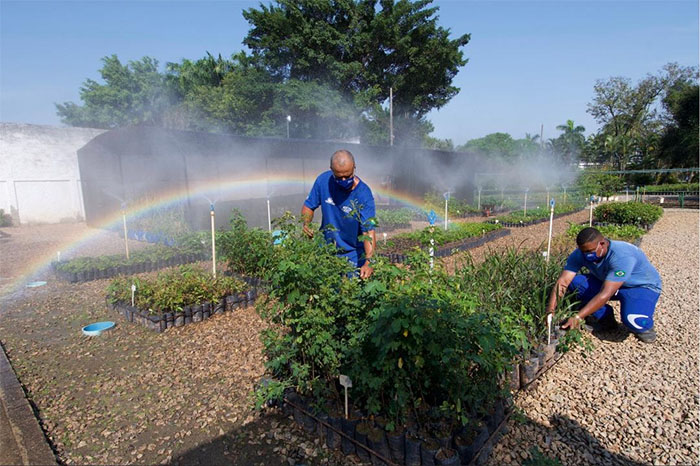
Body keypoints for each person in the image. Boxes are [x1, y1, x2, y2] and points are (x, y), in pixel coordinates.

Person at [546, 227, 662, 343]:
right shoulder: (579, 254)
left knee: (633, 320)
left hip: (639, 287)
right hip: (608, 281)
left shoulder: (621, 255)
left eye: (590, 251)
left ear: (602, 243)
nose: (586, 255)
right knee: (576, 283)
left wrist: (578, 317)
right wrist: (550, 310)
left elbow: (605, 294)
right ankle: (606, 320)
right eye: (583, 252)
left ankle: (645, 327)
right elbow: (563, 282)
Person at [301, 149, 377, 279]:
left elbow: (368, 232)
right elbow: (309, 205)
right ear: (331, 170)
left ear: (354, 167)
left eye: (347, 176)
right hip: (325, 250)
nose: (343, 180)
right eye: (339, 176)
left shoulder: (364, 194)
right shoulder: (323, 181)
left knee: (351, 294)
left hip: (353, 253)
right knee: (325, 291)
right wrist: (306, 223)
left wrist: (369, 262)